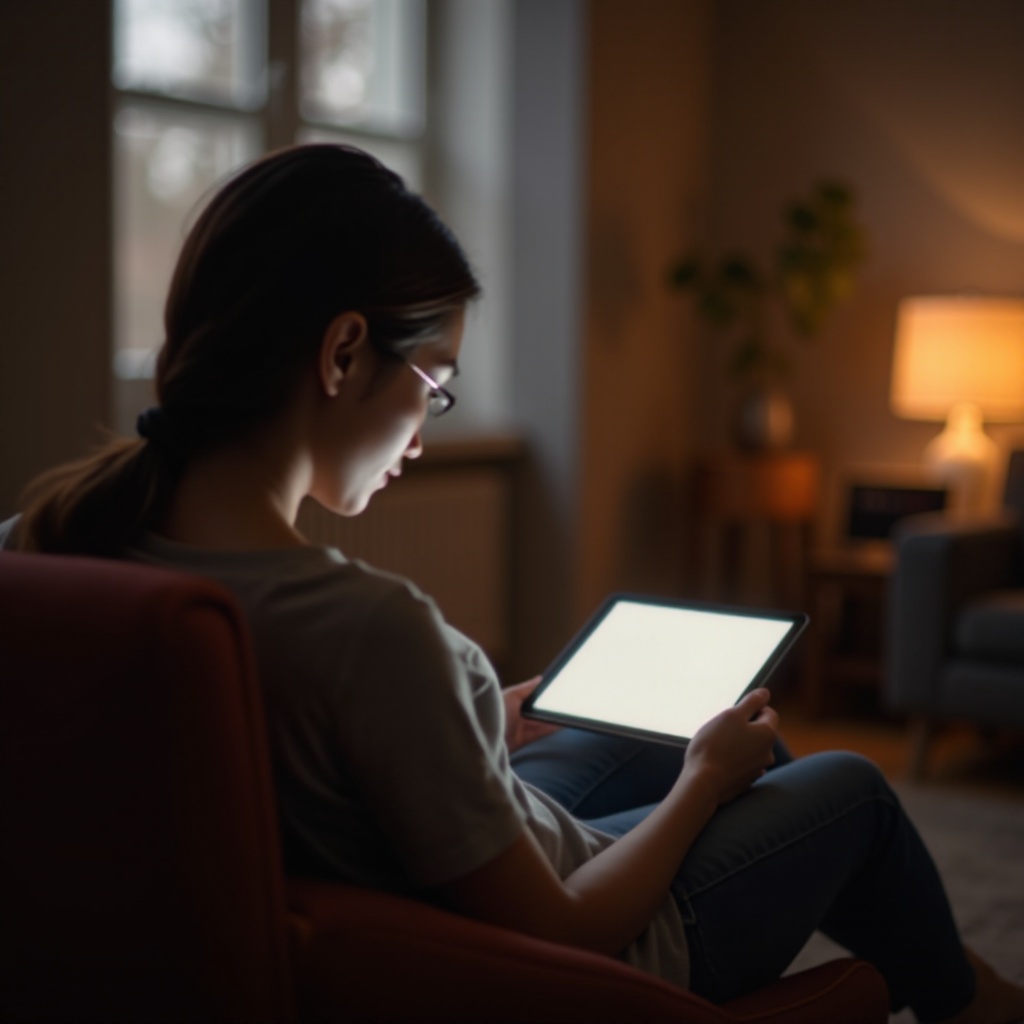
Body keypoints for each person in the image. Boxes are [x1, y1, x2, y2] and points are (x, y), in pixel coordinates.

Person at [2, 144, 1022, 1024]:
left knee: (676, 725)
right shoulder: (363, 627)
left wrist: (478, 708)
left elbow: (321, 747)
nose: (424, 423)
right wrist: (704, 780)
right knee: (843, 787)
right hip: (577, 947)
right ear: (345, 350)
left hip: (434, 873)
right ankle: (968, 995)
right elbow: (568, 930)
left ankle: (933, 955)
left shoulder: (44, 549)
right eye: (436, 382)